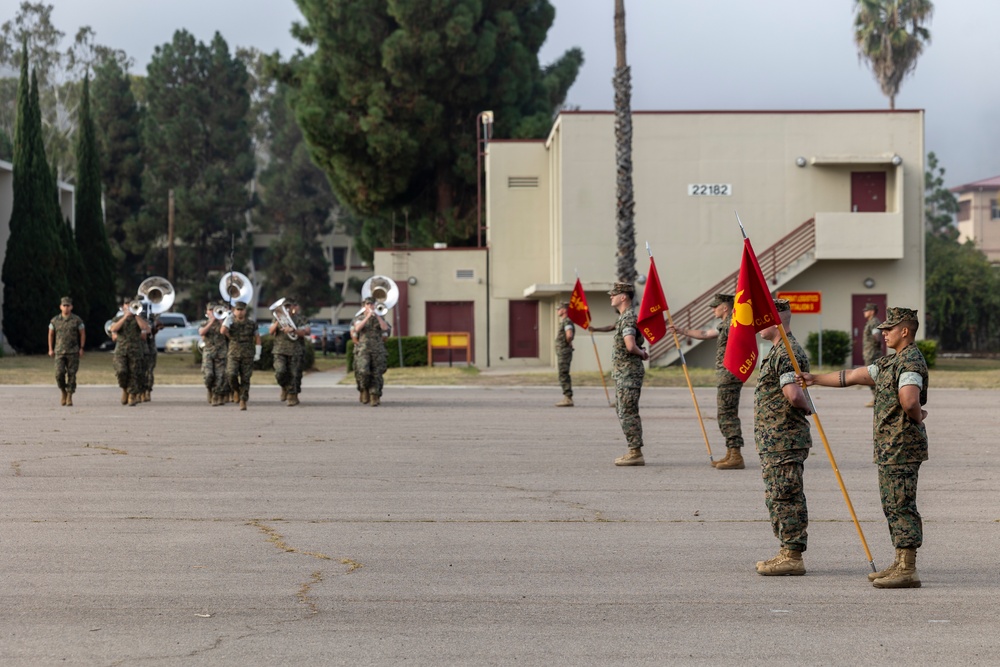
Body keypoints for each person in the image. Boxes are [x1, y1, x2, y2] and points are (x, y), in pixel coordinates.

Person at [797, 307, 927, 589]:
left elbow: (908, 400)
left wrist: (918, 415)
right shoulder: (892, 363)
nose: (884, 334)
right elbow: (853, 375)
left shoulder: (910, 363)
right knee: (892, 504)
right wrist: (815, 378)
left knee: (901, 505)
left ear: (905, 331)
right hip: (890, 447)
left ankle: (908, 568)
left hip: (902, 446)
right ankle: (899, 561)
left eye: (889, 329)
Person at [753, 299, 813, 576]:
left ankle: (792, 555)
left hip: (784, 439)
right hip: (775, 439)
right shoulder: (778, 349)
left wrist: (807, 407)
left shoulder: (787, 352)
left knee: (786, 496)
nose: (757, 324)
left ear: (777, 320)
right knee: (778, 496)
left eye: (762, 318)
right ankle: (786, 551)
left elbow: (793, 393)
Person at [669, 293, 745, 469]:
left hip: (730, 375)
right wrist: (682, 331)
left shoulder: (733, 324)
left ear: (725, 307)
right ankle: (730, 452)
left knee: (727, 414)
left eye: (715, 306)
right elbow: (704, 333)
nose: (712, 309)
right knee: (724, 414)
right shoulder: (725, 325)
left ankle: (736, 455)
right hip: (725, 375)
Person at [592, 283, 649, 466]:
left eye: (613, 294)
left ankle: (635, 453)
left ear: (623, 297)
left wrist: (642, 354)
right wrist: (596, 329)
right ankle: (633, 450)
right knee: (623, 410)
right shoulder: (625, 317)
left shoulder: (629, 318)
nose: (611, 297)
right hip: (623, 373)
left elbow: (630, 345)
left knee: (628, 412)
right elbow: (614, 328)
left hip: (628, 373)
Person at [109, 297, 150, 406]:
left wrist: (136, 315)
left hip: (135, 351)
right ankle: (124, 389)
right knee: (121, 371)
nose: (129, 306)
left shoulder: (139, 318)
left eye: (131, 304)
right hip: (121, 351)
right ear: (123, 306)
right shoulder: (117, 318)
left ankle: (132, 395)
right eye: (127, 304)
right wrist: (124, 317)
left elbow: (146, 328)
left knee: (134, 373)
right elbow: (113, 329)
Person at [221, 301, 261, 411]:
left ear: (245, 311)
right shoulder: (231, 322)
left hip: (247, 354)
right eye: (237, 310)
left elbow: (257, 337)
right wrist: (227, 319)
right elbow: (222, 331)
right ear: (234, 310)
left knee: (246, 378)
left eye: (241, 310)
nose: (239, 312)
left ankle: (243, 400)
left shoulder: (252, 324)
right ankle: (236, 390)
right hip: (233, 354)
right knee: (231, 374)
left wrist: (258, 352)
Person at [270, 299, 309, 407]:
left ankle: (292, 396)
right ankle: (284, 387)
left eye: (288, 306)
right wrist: (278, 321)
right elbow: (271, 331)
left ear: (292, 307)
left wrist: (293, 330)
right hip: (279, 350)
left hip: (295, 350)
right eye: (284, 307)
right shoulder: (276, 318)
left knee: (294, 375)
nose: (286, 309)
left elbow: (306, 332)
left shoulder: (299, 319)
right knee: (280, 371)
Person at [48, 296, 86, 406]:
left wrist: (82, 348)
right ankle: (63, 392)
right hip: (59, 351)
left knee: (72, 374)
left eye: (68, 305)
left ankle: (69, 395)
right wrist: (50, 349)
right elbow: (50, 334)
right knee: (59, 374)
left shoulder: (77, 320)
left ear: (71, 307)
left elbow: (82, 333)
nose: (66, 308)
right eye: (64, 305)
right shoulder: (55, 320)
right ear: (60, 307)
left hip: (73, 351)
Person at [354, 296, 389, 406]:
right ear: (364, 306)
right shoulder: (359, 318)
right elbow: (357, 329)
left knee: (377, 373)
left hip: (377, 349)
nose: (370, 306)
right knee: (363, 371)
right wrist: (367, 316)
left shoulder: (380, 317)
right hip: (364, 349)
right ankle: (364, 390)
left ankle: (374, 396)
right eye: (368, 304)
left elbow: (385, 328)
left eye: (372, 304)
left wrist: (377, 316)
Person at [200, 303, 229, 406]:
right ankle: (209, 389)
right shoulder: (204, 322)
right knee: (208, 375)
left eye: (214, 310)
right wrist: (211, 321)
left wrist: (221, 321)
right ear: (207, 312)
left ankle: (216, 396)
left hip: (221, 353)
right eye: (210, 310)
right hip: (208, 353)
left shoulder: (224, 323)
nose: (212, 312)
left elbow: (228, 334)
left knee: (220, 376)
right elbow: (202, 333)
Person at [861, 302, 883, 407]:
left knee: (871, 376)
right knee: (872, 376)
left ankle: (877, 399)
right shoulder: (871, 322)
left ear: (872, 311)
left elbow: (876, 335)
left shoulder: (874, 322)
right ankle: (878, 398)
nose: (864, 312)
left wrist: (876, 346)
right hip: (870, 352)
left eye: (867, 310)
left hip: (872, 353)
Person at [554, 301, 576, 407]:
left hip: (564, 351)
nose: (558, 311)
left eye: (559, 309)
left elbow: (569, 334)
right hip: (563, 351)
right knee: (563, 373)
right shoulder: (565, 321)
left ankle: (568, 398)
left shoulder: (567, 321)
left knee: (563, 374)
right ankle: (567, 396)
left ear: (564, 310)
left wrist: (568, 342)